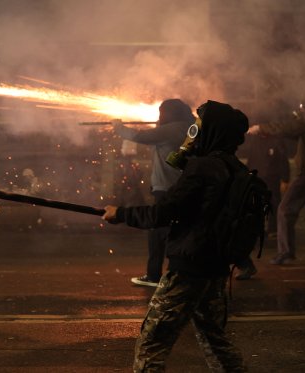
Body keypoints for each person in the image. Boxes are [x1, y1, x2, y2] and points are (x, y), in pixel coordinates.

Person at [103, 100, 249, 372]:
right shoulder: (235, 168)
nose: (194, 130)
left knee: (152, 343)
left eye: (200, 125)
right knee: (215, 341)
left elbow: (163, 213)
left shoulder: (202, 168)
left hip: (189, 266)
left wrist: (121, 214)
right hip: (215, 267)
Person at [112, 98, 194, 287]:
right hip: (180, 186)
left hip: (167, 187)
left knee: (157, 231)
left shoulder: (172, 129)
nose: (159, 116)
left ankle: (154, 275)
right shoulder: (188, 128)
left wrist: (119, 128)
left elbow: (141, 137)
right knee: (188, 228)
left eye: (161, 113)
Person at [247, 100, 305, 265]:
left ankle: (286, 252)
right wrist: (267, 132)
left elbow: (286, 127)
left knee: (284, 210)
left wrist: (260, 128)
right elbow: (290, 131)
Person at [234, 122, 291, 280]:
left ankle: (272, 230)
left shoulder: (276, 141)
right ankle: (258, 232)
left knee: (273, 204)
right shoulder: (255, 139)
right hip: (257, 178)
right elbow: (251, 157)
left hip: (272, 179)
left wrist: (285, 179)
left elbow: (283, 161)